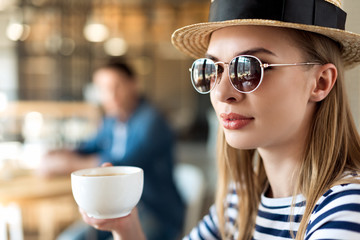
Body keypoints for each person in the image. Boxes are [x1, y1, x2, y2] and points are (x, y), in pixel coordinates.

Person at [80, 0, 360, 239]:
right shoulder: (240, 201)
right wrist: (126, 227)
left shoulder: (346, 209)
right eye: (212, 69)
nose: (222, 92)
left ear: (321, 82)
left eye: (250, 68)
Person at [38, 60, 185, 240]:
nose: (111, 94)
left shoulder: (152, 122)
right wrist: (56, 155)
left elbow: (121, 167)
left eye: (117, 86)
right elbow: (89, 147)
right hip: (115, 208)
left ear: (134, 85)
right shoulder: (112, 120)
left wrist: (65, 163)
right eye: (103, 88)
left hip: (156, 212)